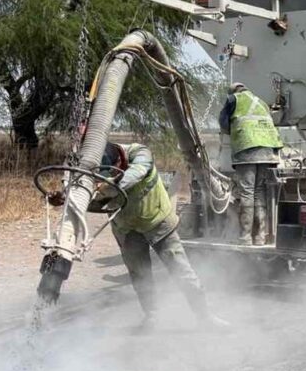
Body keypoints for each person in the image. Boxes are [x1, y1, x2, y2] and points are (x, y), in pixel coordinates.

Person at [94, 141, 228, 331]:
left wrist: (104, 188)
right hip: (127, 228)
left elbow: (133, 176)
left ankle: (205, 316)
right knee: (140, 276)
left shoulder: (140, 153)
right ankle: (152, 317)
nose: (109, 176)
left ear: (119, 159)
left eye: (112, 171)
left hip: (158, 221)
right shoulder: (94, 167)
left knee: (181, 270)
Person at [219, 82, 283, 245]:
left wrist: (232, 132)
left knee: (247, 192)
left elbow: (223, 124)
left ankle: (245, 237)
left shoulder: (233, 99)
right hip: (268, 150)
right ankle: (260, 237)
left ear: (233, 91)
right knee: (259, 191)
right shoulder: (261, 101)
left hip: (248, 148)